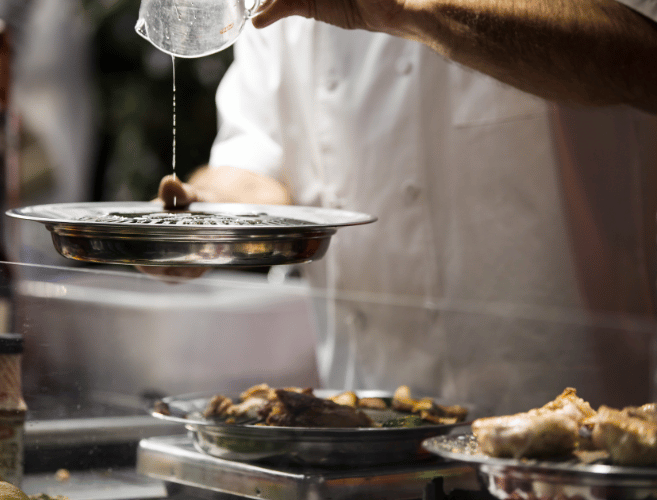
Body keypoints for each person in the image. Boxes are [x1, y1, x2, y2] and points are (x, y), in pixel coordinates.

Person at [152, 0, 657, 416]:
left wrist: (408, 10)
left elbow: (640, 55)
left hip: (577, 416)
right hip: (362, 425)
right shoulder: (273, 15)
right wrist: (201, 213)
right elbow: (257, 167)